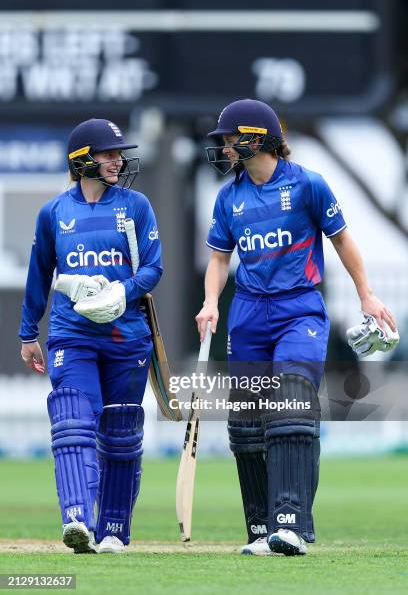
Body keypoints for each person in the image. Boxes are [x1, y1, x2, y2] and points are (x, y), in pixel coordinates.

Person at [195, 99, 397, 556]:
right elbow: (219, 259)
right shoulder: (229, 197)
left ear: (255, 138)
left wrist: (366, 294)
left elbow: (342, 239)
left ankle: (290, 522)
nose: (224, 148)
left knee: (291, 400)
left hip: (298, 308)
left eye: (230, 140)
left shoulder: (308, 185)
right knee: (246, 422)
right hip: (247, 312)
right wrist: (210, 302)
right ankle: (261, 528)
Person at [19, 118, 163, 554]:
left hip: (126, 337)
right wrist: (28, 333)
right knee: (74, 419)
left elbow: (153, 268)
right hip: (72, 335)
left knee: (120, 432)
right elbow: (40, 274)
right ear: (83, 160)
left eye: (119, 153)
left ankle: (114, 529)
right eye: (108, 154)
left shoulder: (136, 206)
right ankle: (77, 518)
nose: (118, 160)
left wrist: (123, 290)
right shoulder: (55, 213)